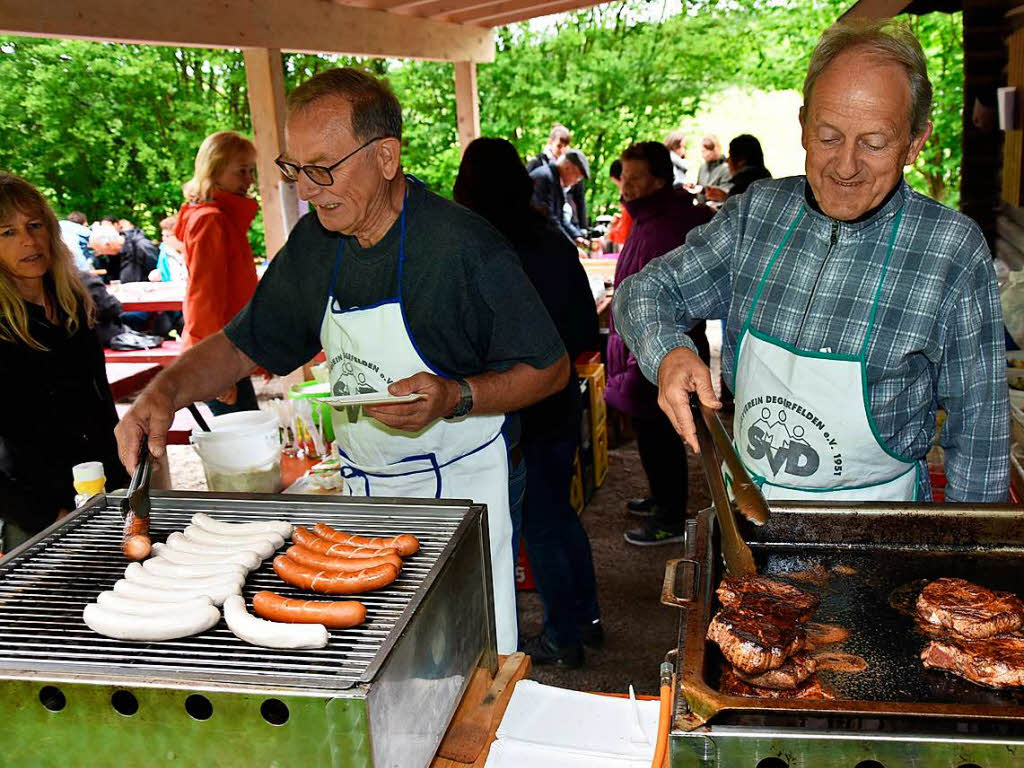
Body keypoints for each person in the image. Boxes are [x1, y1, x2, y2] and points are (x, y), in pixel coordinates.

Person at [115, 68, 569, 654]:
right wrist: (162, 393)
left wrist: (456, 396)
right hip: (366, 494)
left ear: (385, 156)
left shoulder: (463, 247)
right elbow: (242, 343)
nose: (306, 189)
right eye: (294, 169)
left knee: (469, 654)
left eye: (323, 168)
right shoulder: (315, 243)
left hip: (464, 488)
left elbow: (550, 368)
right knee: (384, 653)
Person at [614, 20, 1009, 504]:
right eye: (828, 136)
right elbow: (645, 290)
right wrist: (668, 352)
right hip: (755, 519)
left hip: (883, 527)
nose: (845, 166)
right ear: (803, 126)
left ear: (915, 142)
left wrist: (965, 566)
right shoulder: (756, 215)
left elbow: (981, 436)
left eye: (875, 142)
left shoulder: (951, 250)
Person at [454, 137, 602, 668]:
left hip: (515, 407)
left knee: (538, 522)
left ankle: (565, 635)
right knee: (557, 513)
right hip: (559, 400)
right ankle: (585, 616)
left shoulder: (482, 249)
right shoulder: (549, 234)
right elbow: (587, 324)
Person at [0, 174, 128, 550]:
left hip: (106, 488)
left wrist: (126, 469)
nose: (28, 240)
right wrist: (44, 513)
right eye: (7, 232)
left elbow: (99, 400)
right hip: (40, 511)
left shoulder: (72, 301)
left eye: (34, 225)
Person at [605, 142, 713, 545]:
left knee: (664, 434)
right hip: (643, 346)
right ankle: (660, 498)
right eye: (624, 179)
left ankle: (671, 516)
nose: (626, 188)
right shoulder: (649, 218)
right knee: (651, 433)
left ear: (659, 179)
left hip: (666, 346)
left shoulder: (671, 222)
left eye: (635, 180)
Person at [174, 131, 261, 416]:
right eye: (241, 171)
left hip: (229, 350)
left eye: (251, 171)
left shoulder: (224, 218)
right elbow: (204, 298)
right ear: (215, 171)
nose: (249, 179)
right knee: (240, 445)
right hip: (218, 356)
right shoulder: (210, 221)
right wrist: (215, 370)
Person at [527, 124, 588, 239]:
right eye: (559, 146)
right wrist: (569, 243)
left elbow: (578, 202)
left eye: (565, 147)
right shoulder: (541, 169)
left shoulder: (556, 176)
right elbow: (550, 218)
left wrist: (578, 234)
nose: (561, 150)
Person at [530, 148, 591, 244]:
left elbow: (560, 218)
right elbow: (548, 219)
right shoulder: (544, 178)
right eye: (577, 177)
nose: (575, 182)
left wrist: (576, 236)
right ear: (567, 167)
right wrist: (568, 245)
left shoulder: (555, 181)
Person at [706, 134, 772, 202]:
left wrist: (727, 199)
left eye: (730, 155)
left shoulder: (742, 186)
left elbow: (737, 208)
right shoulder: (766, 179)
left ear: (742, 160)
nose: (727, 160)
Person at [604, 159, 633, 252]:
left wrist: (610, 235)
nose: (619, 190)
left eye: (618, 185)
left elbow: (625, 233)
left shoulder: (631, 197)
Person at [691, 135, 731, 203]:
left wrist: (704, 190)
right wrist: (692, 188)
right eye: (701, 152)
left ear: (714, 150)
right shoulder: (702, 167)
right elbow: (698, 191)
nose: (702, 155)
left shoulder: (726, 168)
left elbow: (726, 194)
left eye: (704, 151)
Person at [149, 214, 187, 283]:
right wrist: (159, 275)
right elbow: (164, 274)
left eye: (167, 236)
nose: (163, 239)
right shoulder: (165, 251)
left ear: (181, 235)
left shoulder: (194, 252)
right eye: (163, 235)